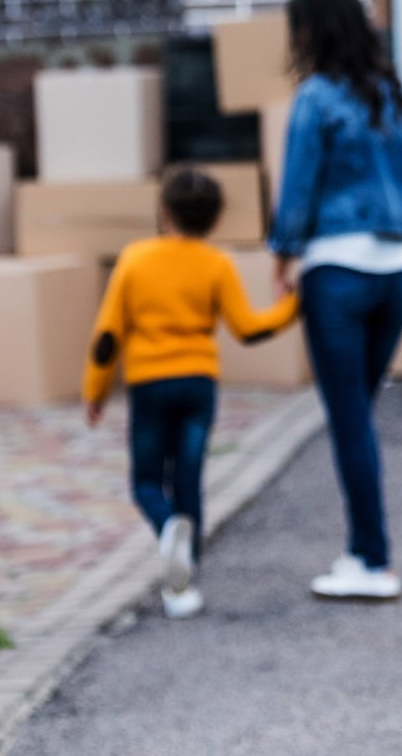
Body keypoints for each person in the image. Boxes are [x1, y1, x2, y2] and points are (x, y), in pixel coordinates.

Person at [268, 0, 402, 601]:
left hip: (335, 273)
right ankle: (365, 553)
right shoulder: (398, 97)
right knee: (357, 416)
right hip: (396, 274)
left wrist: (283, 253)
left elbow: (297, 191)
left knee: (349, 422)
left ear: (310, 31)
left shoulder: (314, 98)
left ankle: (370, 559)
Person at [84, 167, 299, 620]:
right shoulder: (216, 263)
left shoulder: (135, 259)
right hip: (198, 385)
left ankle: (167, 532)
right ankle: (183, 584)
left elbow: (107, 336)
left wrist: (95, 393)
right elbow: (248, 329)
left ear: (163, 212)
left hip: (149, 384)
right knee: (188, 481)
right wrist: (292, 304)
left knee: (146, 482)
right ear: (215, 220)